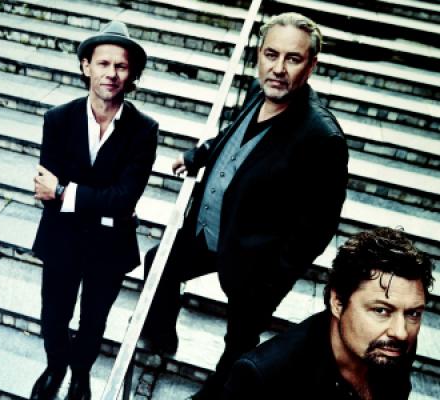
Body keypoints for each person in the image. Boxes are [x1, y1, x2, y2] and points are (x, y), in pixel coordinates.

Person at [141, 12, 349, 399]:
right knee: (160, 261)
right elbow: (232, 136)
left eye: (293, 58)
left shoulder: (322, 137)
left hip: (255, 262)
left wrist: (274, 280)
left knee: (239, 341)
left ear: (311, 65)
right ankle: (161, 335)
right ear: (259, 55)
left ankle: (217, 395)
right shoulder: (260, 91)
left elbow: (317, 228)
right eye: (271, 54)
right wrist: (197, 156)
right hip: (207, 231)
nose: (278, 68)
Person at [30, 21, 158, 400]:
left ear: (131, 74)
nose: (111, 73)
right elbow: (45, 191)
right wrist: (95, 200)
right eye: (103, 63)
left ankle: (81, 375)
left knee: (94, 320)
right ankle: (55, 367)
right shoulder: (58, 119)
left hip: (110, 247)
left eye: (121, 66)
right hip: (61, 240)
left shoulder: (144, 129)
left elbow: (125, 198)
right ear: (86, 66)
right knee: (54, 316)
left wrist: (65, 192)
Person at [223, 227, 434, 400]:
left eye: (414, 313)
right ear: (338, 303)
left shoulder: (393, 346)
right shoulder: (264, 377)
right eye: (381, 310)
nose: (401, 332)